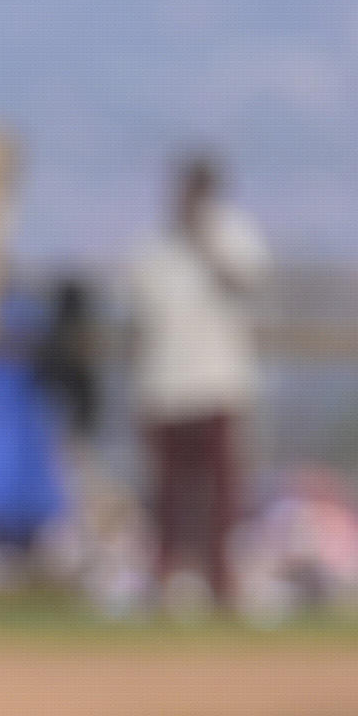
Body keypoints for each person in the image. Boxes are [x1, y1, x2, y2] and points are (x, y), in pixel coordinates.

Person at [125, 151, 267, 612]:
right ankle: (166, 578)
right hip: (165, 390)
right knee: (167, 495)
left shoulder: (234, 236)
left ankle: (221, 583)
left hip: (217, 386)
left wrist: (205, 242)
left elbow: (245, 282)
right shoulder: (156, 249)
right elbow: (141, 324)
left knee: (220, 494)